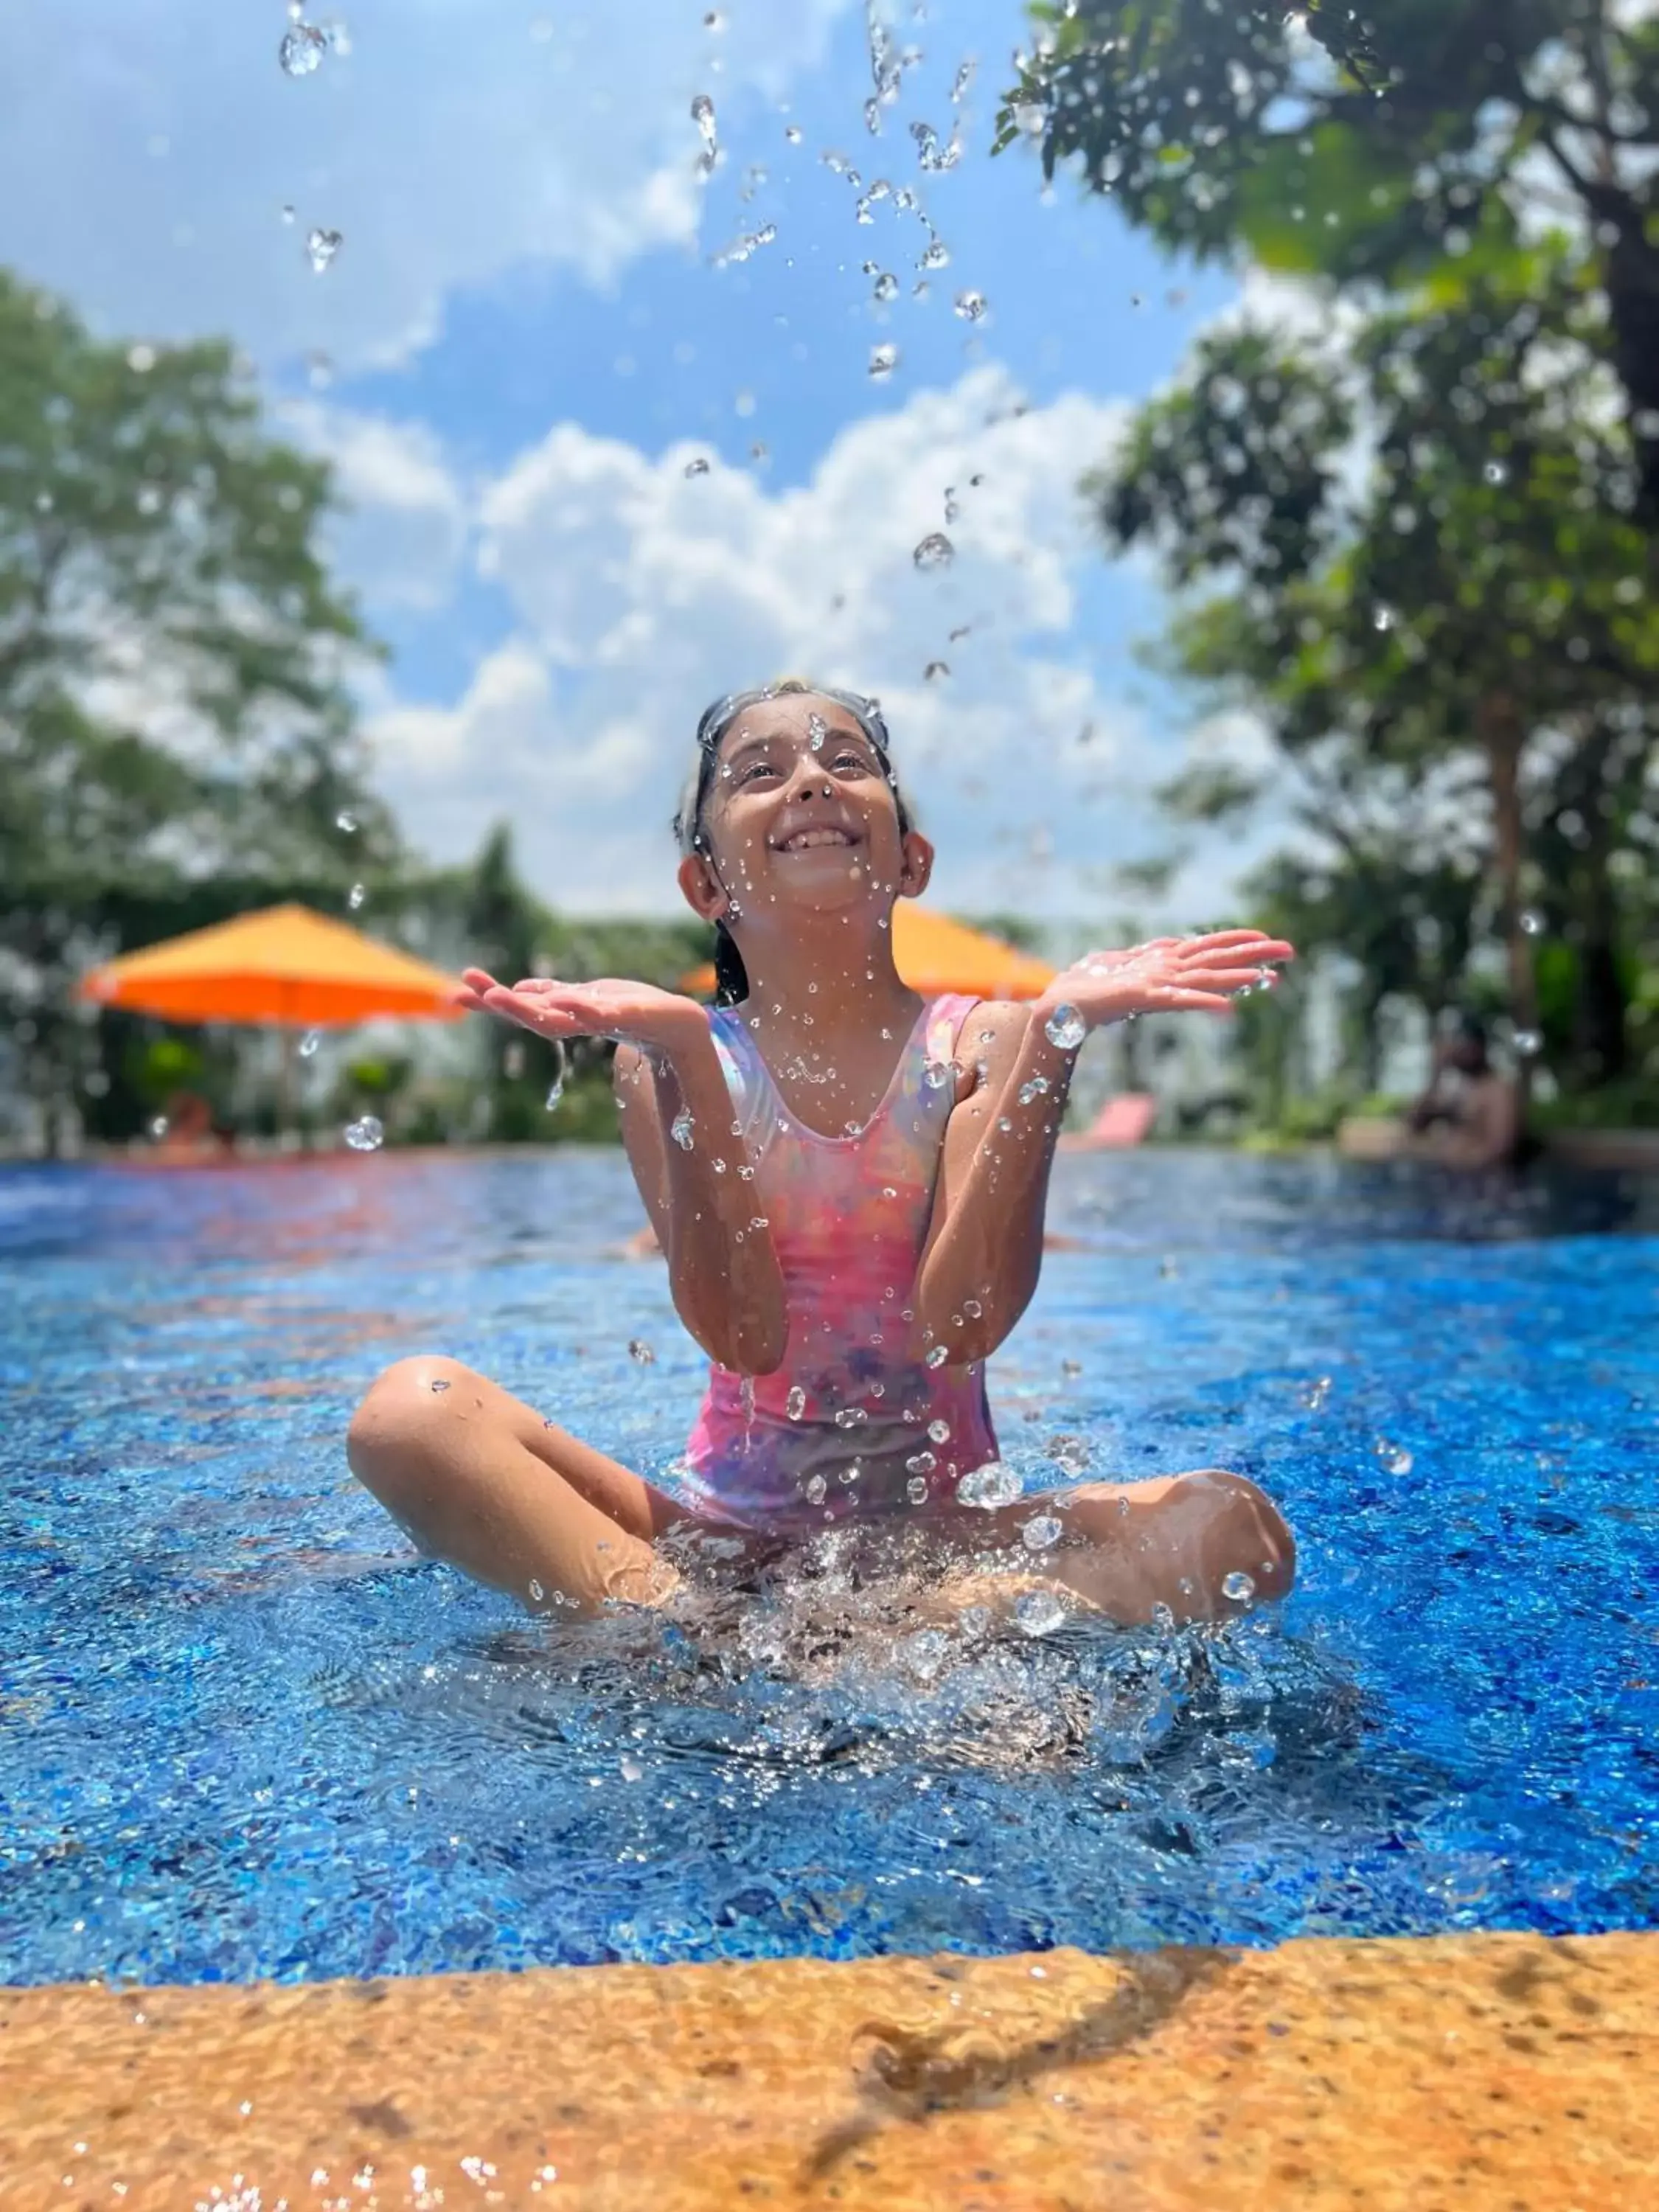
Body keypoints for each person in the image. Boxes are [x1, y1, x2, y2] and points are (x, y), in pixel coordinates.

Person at [347, 681, 1297, 1628]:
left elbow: (961, 1325)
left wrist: (1055, 1043)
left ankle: (759, 1647)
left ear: (911, 858)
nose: (810, 783)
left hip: (943, 1545)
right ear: (705, 885)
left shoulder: (984, 1044)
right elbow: (744, 1339)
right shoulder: (669, 1060)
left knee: (1237, 1529)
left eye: (846, 763)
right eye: (762, 772)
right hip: (726, 1546)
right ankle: (702, 1624)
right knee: (410, 1414)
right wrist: (683, 1059)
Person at [1403, 1015, 1521, 1172]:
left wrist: (1459, 1162)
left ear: (1479, 1048)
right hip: (1451, 1179)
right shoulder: (1454, 1090)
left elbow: (1500, 1150)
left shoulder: (1498, 1091)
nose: (1455, 1051)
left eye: (1462, 1046)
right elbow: (1414, 1125)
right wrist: (1436, 1074)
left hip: (1479, 1182)